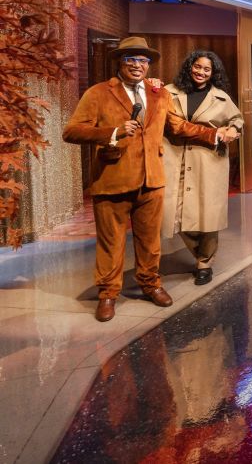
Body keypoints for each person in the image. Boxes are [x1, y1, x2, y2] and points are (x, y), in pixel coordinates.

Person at [62, 36, 227, 321]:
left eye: (143, 60)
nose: (137, 65)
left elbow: (177, 126)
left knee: (150, 242)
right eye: (131, 59)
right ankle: (108, 294)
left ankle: (151, 284)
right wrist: (112, 132)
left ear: (148, 65)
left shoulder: (159, 94)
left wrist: (214, 134)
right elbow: (72, 131)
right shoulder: (98, 93)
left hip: (152, 181)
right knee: (111, 243)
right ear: (120, 62)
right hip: (112, 179)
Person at [161, 51, 242, 286]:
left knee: (208, 213)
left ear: (213, 73)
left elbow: (237, 119)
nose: (201, 72)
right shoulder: (169, 92)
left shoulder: (221, 98)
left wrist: (234, 129)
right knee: (174, 211)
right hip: (174, 157)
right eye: (197, 67)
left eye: (207, 69)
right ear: (189, 67)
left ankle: (204, 262)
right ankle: (199, 252)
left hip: (209, 160)